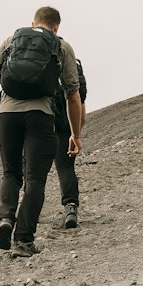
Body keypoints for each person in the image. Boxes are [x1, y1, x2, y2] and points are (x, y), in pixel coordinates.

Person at [0, 7, 82, 257]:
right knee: (35, 180)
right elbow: (72, 93)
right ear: (56, 27)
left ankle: (5, 219)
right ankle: (24, 240)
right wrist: (75, 133)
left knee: (11, 173)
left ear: (33, 23)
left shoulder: (12, 40)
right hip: (40, 116)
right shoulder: (62, 46)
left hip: (7, 114)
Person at [50, 54, 87, 229]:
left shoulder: (39, 64)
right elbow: (81, 108)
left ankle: (28, 213)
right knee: (66, 167)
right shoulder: (73, 67)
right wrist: (76, 134)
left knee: (33, 172)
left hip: (41, 123)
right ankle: (70, 207)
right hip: (66, 126)